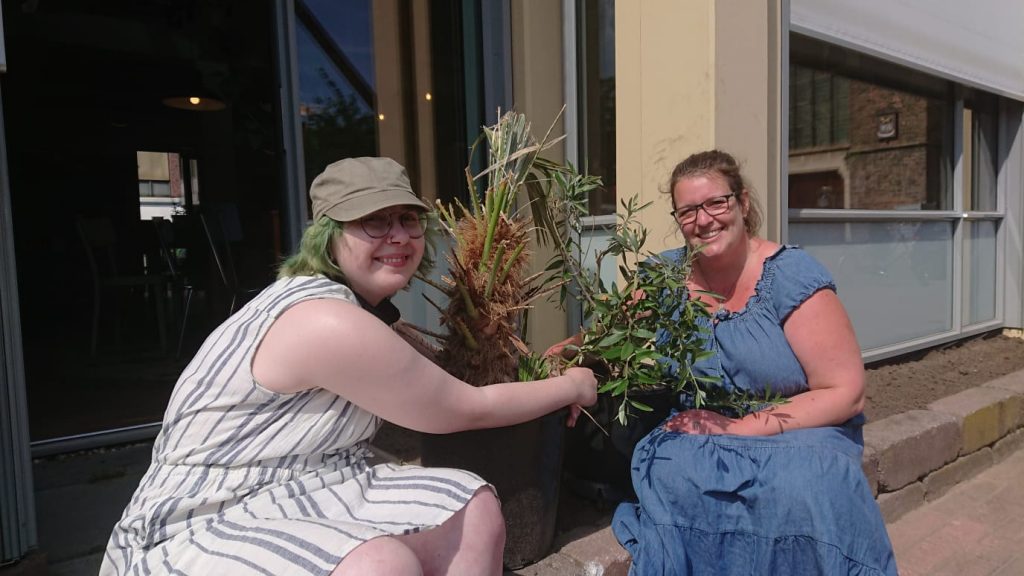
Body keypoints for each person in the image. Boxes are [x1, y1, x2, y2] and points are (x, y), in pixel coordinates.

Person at [99, 157, 597, 576]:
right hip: (206, 514)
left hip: (314, 481)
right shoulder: (325, 320)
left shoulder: (355, 308)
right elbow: (463, 406)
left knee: (471, 508)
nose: (398, 236)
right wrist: (573, 385)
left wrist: (535, 365)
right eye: (373, 222)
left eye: (407, 219)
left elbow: (446, 373)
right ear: (327, 236)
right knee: (382, 565)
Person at [610, 150, 898, 575]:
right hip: (701, 431)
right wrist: (572, 363)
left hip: (798, 431)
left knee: (806, 484)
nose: (703, 220)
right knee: (666, 467)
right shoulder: (664, 276)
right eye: (688, 211)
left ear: (742, 204)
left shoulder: (789, 275)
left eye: (716, 203)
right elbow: (613, 333)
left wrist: (739, 427)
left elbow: (846, 391)